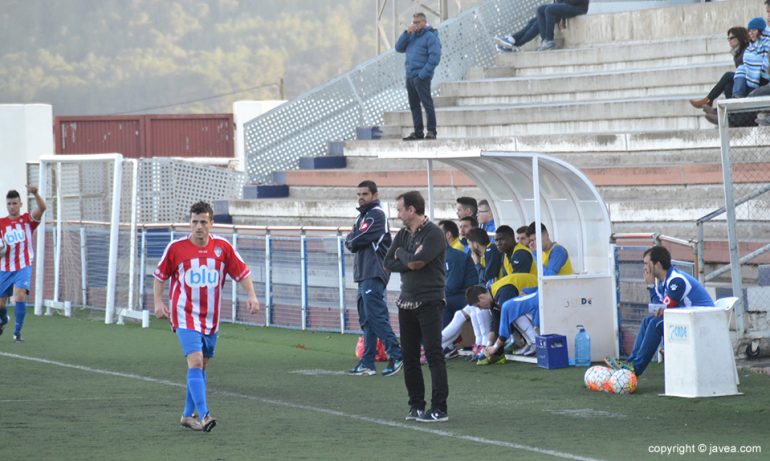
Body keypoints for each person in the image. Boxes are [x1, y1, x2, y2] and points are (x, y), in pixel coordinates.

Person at [154, 201, 260, 432]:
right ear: (189, 223)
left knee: (202, 367)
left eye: (203, 222)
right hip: (184, 315)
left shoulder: (223, 248)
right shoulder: (176, 248)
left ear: (212, 223)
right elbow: (160, 276)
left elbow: (242, 272)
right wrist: (158, 302)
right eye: (194, 222)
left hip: (211, 319)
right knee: (195, 361)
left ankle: (186, 416)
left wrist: (251, 295)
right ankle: (204, 414)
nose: (198, 226)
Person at [384, 191, 449, 422]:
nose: (398, 214)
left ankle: (439, 408)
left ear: (412, 210)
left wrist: (403, 254)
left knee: (433, 354)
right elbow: (387, 263)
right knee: (409, 356)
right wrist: (407, 261)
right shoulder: (403, 234)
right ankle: (416, 405)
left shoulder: (433, 234)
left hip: (429, 300)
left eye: (400, 209)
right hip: (406, 301)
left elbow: (416, 262)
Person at [605, 246, 714, 377]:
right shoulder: (665, 282)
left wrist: (651, 286)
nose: (644, 268)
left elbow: (662, 310)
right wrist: (653, 287)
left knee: (655, 324)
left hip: (701, 321)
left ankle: (635, 369)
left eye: (646, 263)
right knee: (647, 321)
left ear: (657, 264)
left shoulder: (676, 281)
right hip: (689, 318)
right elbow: (660, 308)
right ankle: (630, 363)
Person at [345, 181, 403, 377]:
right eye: (358, 194)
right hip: (363, 273)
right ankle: (367, 362)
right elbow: (352, 239)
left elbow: (356, 239)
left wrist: (352, 239)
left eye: (365, 194)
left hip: (374, 271)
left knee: (376, 316)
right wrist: (353, 239)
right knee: (367, 319)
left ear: (375, 195)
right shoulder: (362, 216)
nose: (361, 197)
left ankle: (396, 354)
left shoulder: (376, 214)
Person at [0, 186, 46, 342]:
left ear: (20, 204)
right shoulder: (1, 224)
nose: (12, 206)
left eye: (15, 203)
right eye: (9, 204)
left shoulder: (27, 220)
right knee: (0, 304)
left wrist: (35, 193)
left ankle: (17, 332)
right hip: (5, 267)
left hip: (23, 265)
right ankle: (4, 319)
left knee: (20, 294)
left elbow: (42, 207)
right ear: (6, 205)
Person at [396, 12, 442, 141]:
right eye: (413, 22)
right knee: (414, 105)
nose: (414, 25)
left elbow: (435, 58)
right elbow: (398, 48)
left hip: (421, 77)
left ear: (423, 22)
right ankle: (418, 132)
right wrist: (406, 33)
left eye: (417, 22)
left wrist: (422, 75)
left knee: (427, 104)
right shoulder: (411, 36)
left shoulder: (430, 37)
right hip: (410, 76)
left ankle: (432, 131)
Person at [689, 27, 750, 109]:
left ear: (740, 37)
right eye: (728, 38)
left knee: (728, 75)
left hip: (748, 79)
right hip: (741, 80)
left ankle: (708, 100)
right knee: (728, 86)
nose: (729, 41)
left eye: (732, 38)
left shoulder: (747, 50)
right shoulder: (736, 53)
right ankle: (731, 112)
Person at [494, 0, 590, 52]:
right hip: (563, 8)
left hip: (577, 9)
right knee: (539, 12)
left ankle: (548, 40)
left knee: (548, 10)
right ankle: (512, 41)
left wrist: (561, 12)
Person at [438, 220, 478, 328]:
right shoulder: (444, 255)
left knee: (441, 302)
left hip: (469, 296)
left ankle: (443, 342)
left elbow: (453, 285)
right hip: (460, 294)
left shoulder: (452, 255)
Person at [731, 17, 770, 98]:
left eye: (754, 30)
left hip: (762, 79)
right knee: (740, 71)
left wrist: (755, 68)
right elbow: (746, 63)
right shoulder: (751, 46)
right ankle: (736, 97)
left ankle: (737, 98)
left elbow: (765, 66)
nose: (751, 33)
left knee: (730, 76)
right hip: (750, 77)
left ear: (760, 30)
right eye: (749, 31)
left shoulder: (767, 43)